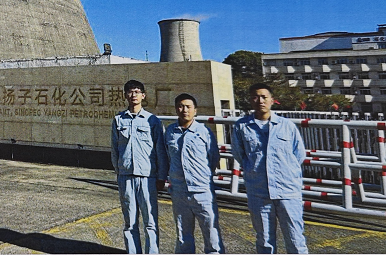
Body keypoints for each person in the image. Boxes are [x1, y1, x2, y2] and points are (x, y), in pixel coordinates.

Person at [231, 83, 308, 254]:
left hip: (287, 191)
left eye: (264, 97)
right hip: (258, 191)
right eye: (255, 97)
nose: (260, 101)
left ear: (272, 100)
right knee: (264, 240)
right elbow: (239, 154)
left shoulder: (286, 126)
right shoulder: (241, 127)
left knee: (295, 239)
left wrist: (285, 173)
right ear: (250, 100)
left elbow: (299, 154)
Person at [111, 80, 169, 254]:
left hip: (147, 177)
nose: (133, 95)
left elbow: (161, 150)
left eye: (137, 91)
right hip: (126, 176)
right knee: (130, 222)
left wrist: (161, 177)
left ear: (143, 95)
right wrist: (119, 172)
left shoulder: (153, 121)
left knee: (150, 221)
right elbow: (114, 149)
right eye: (130, 91)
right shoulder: (118, 120)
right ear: (125, 95)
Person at [164, 93, 225, 254]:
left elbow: (213, 158)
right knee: (183, 236)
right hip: (179, 191)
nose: (184, 110)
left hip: (202, 191)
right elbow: (167, 157)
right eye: (180, 106)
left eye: (188, 107)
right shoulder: (170, 132)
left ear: (195, 110)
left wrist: (202, 177)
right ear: (176, 109)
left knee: (212, 234)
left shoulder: (204, 132)